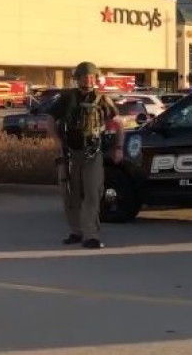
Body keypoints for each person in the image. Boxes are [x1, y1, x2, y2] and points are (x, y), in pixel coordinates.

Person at [46, 62, 123, 249]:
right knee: (69, 193)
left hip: (93, 152)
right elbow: (49, 119)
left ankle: (91, 235)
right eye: (84, 76)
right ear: (77, 78)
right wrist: (57, 141)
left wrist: (118, 147)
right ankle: (76, 231)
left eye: (91, 77)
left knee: (92, 194)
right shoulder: (66, 98)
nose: (88, 80)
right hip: (70, 152)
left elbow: (118, 123)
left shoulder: (102, 99)